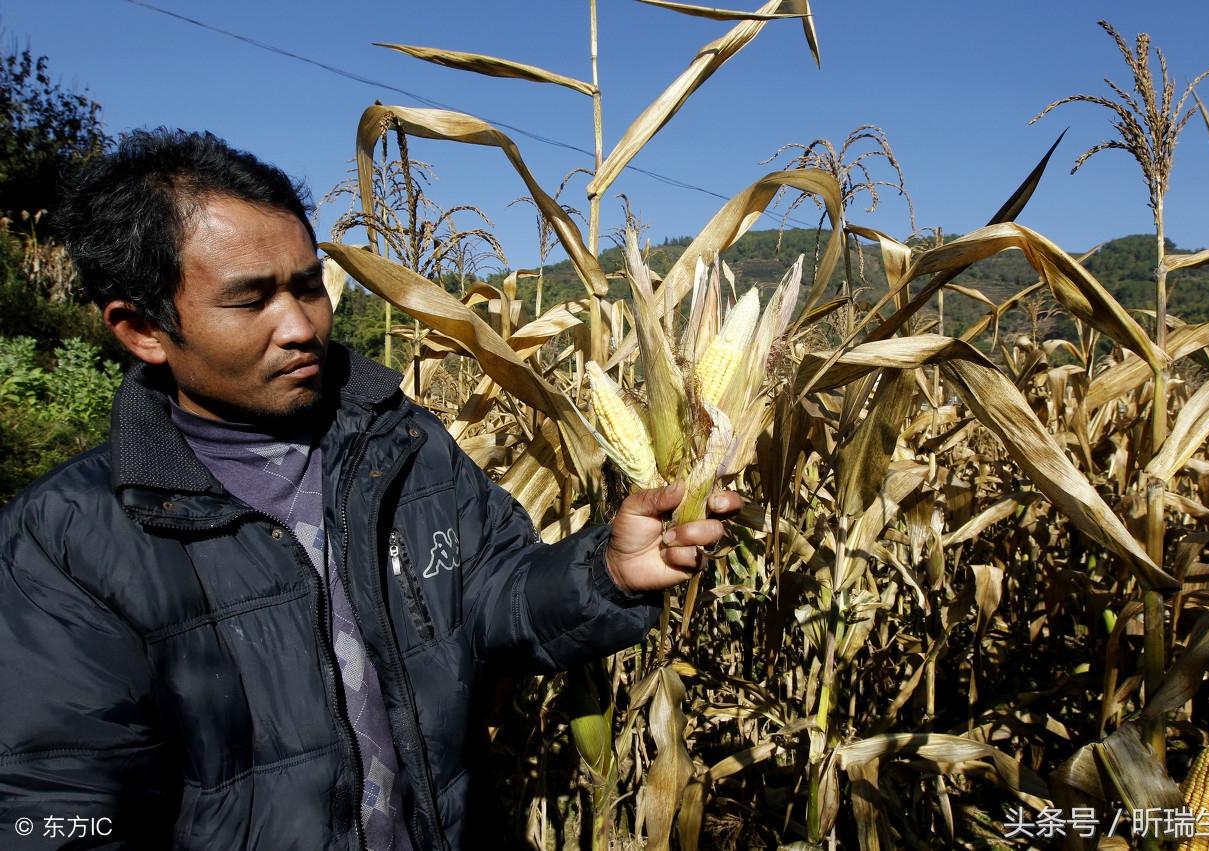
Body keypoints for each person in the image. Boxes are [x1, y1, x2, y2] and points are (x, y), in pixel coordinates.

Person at [0, 129, 739, 850]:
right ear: (142, 330)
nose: (301, 326)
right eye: (250, 300)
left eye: (307, 286)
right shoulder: (65, 545)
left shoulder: (402, 446)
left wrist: (607, 571)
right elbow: (54, 811)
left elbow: (495, 599)